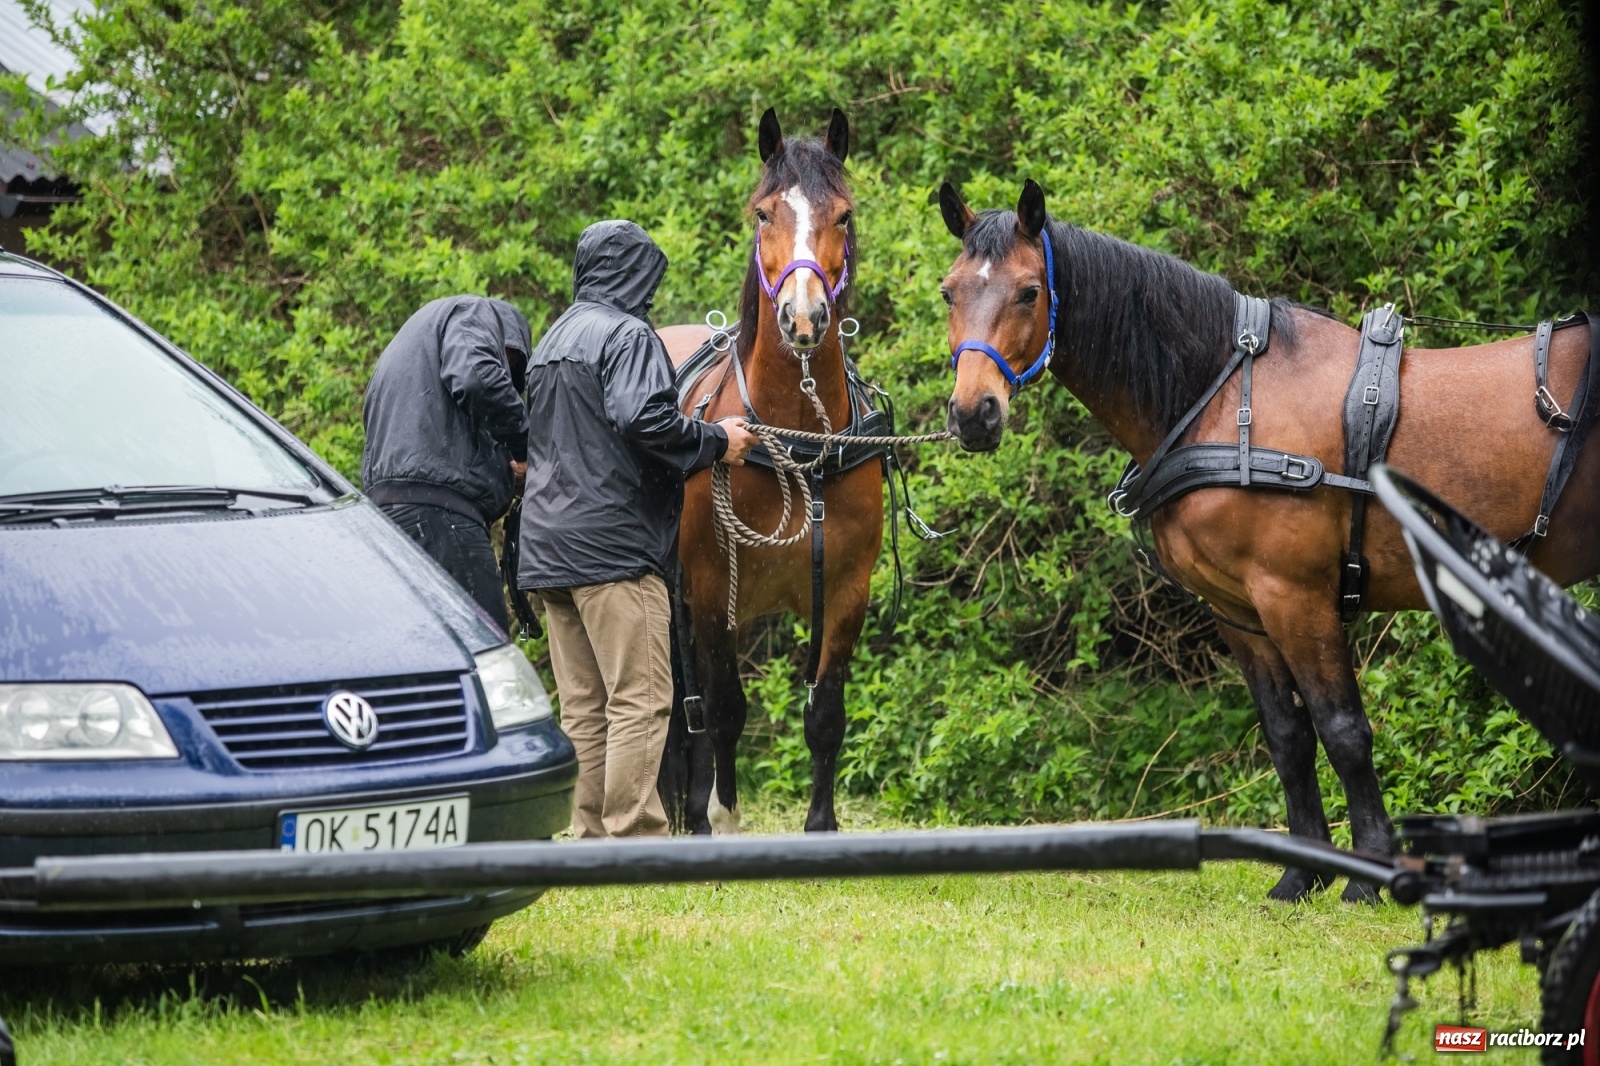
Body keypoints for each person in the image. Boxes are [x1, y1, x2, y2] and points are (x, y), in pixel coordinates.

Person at [518, 220, 757, 839]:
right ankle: (635, 839)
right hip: (614, 552)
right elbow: (645, 418)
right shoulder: (626, 336)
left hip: (548, 553)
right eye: (648, 281)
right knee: (640, 699)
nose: (651, 297)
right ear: (633, 273)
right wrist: (717, 442)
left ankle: (589, 838)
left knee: (584, 707)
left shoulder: (554, 339)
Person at [362, 295, 531, 633]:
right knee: (484, 649)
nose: (507, 381)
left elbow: (440, 439)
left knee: (424, 650)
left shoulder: (409, 351)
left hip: (385, 522)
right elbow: (477, 381)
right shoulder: (474, 313)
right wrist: (527, 448)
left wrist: (502, 471)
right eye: (508, 368)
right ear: (505, 338)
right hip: (442, 520)